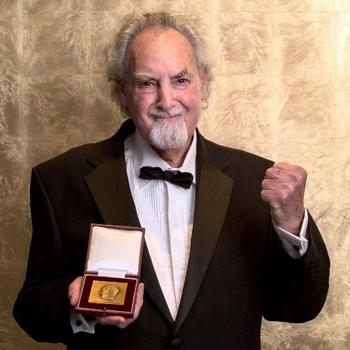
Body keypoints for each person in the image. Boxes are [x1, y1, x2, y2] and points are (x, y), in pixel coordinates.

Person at [13, 11, 330, 350]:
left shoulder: (257, 182)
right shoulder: (61, 180)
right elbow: (31, 312)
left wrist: (292, 225)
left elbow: (298, 307)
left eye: (181, 79)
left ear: (203, 81)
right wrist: (73, 301)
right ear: (123, 91)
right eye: (147, 83)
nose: (167, 101)